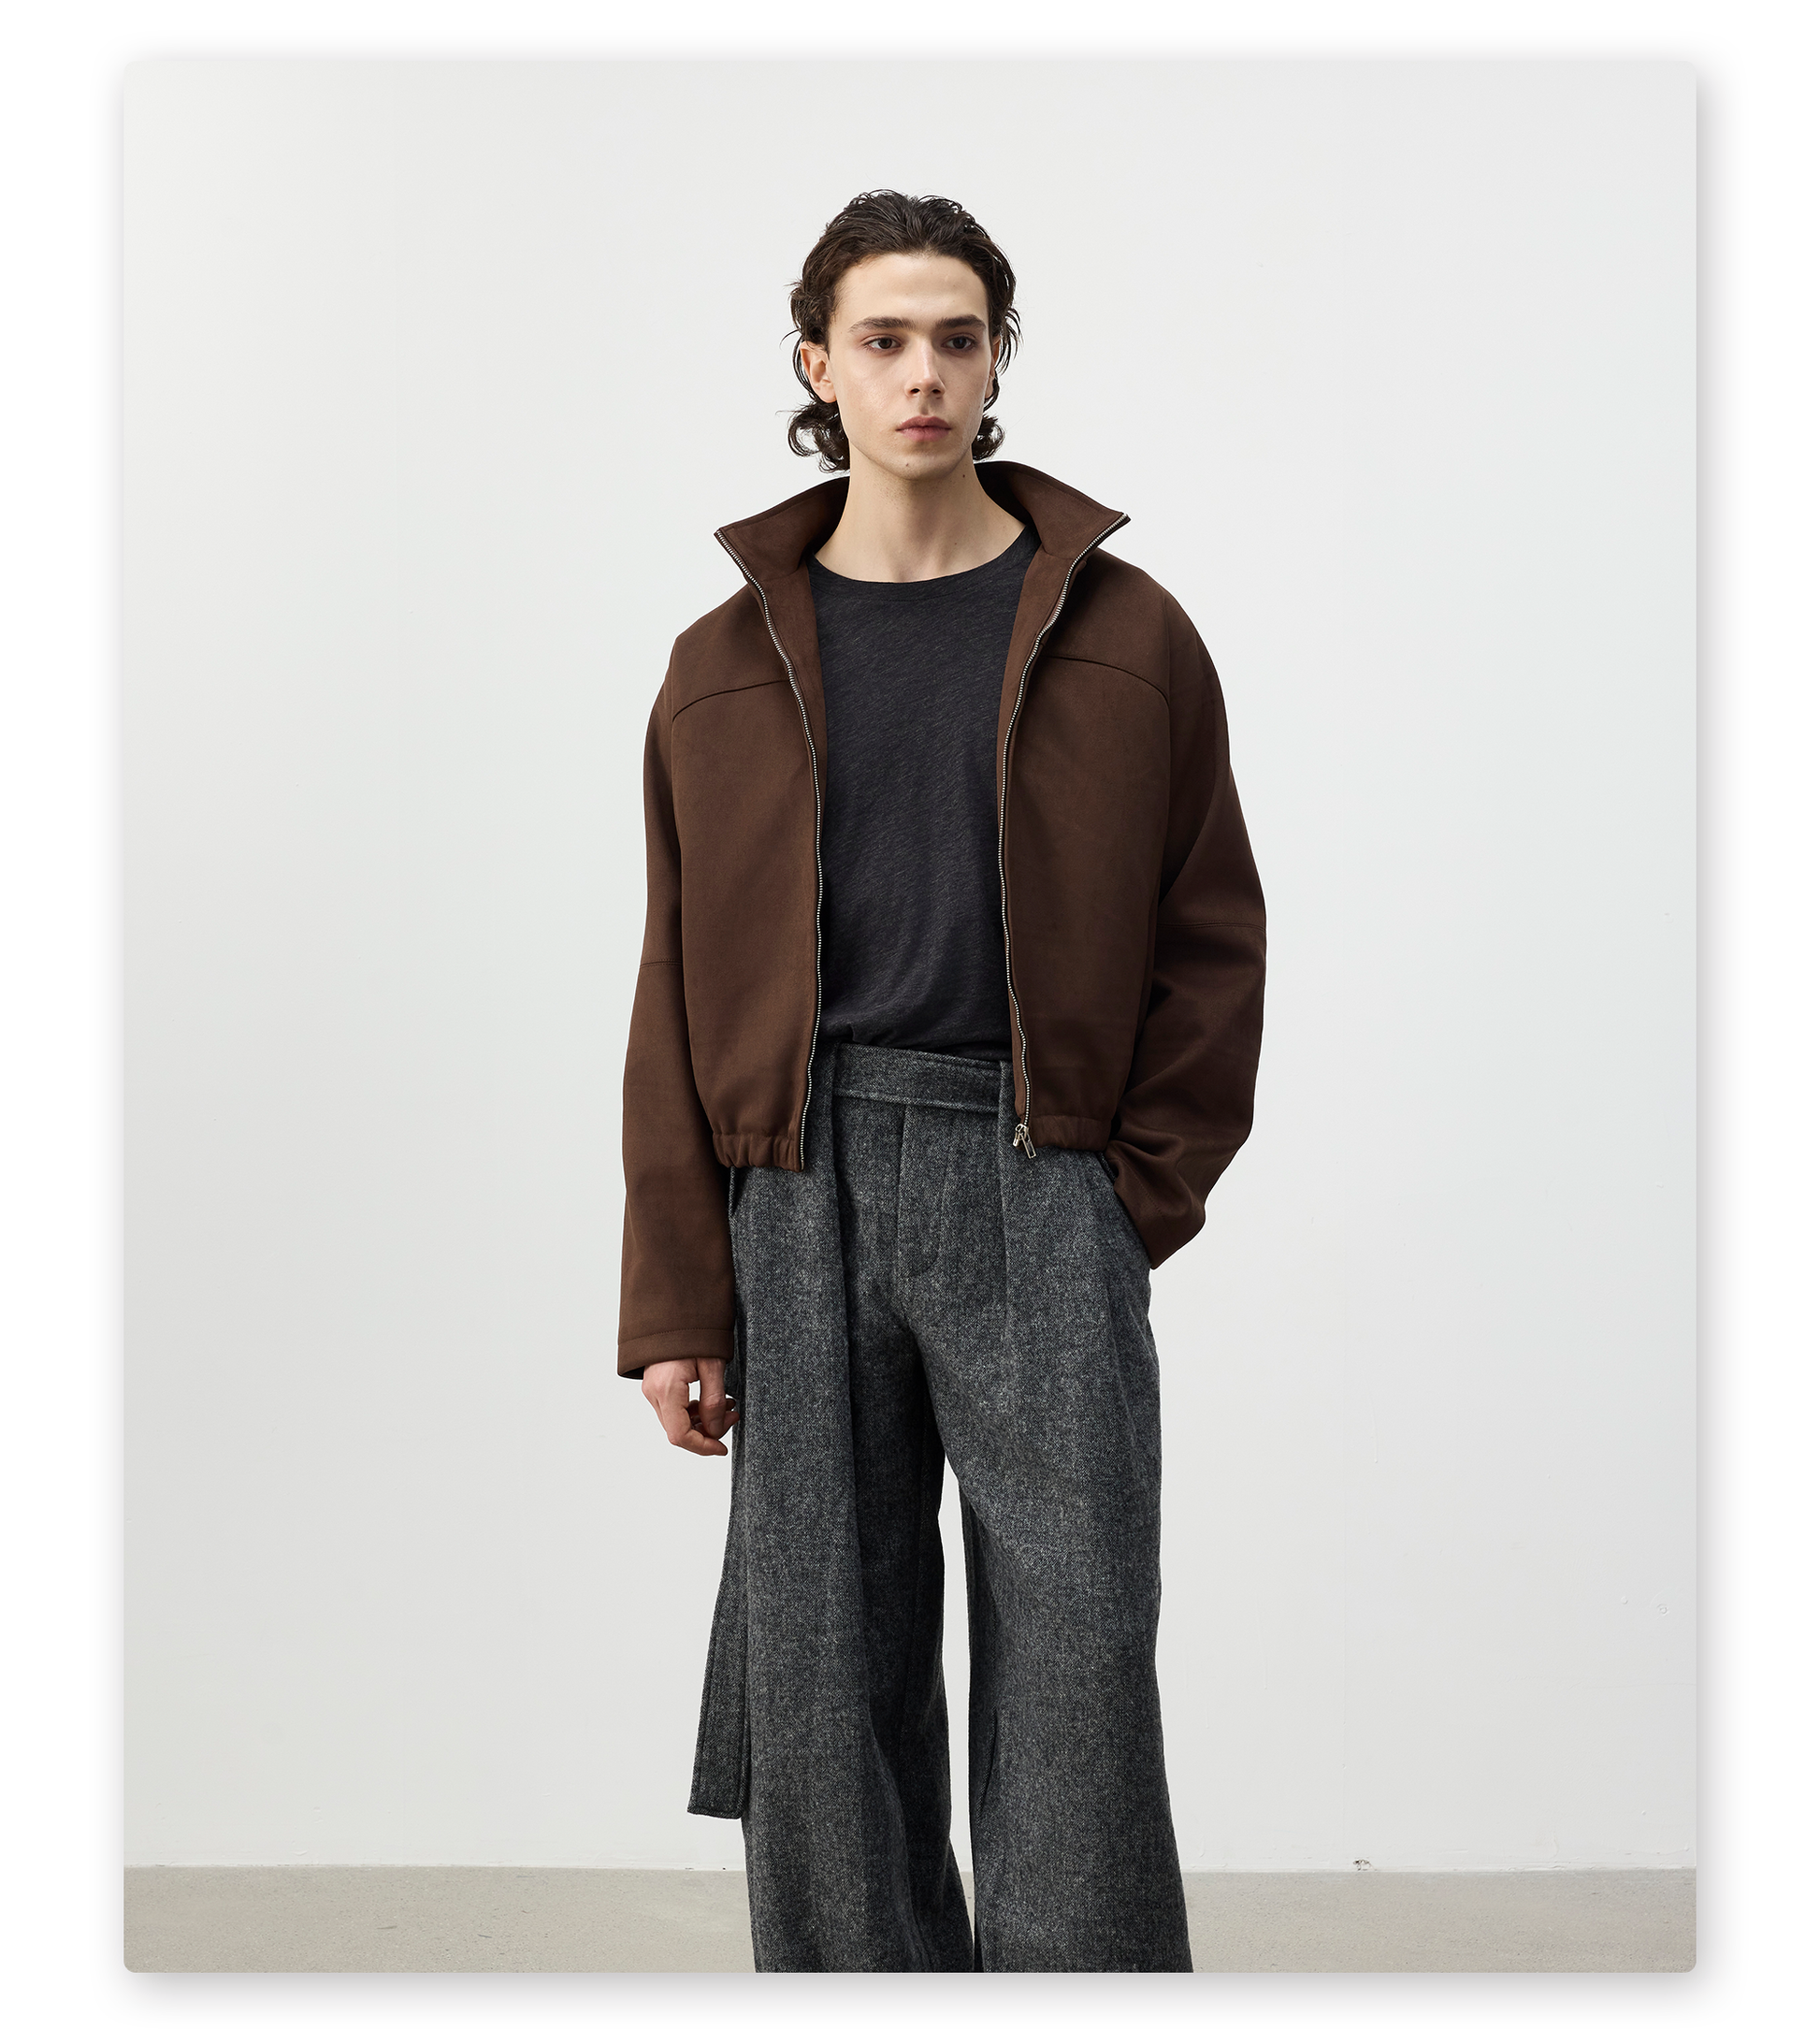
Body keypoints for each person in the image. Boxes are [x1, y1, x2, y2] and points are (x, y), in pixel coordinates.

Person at [618, 189, 1266, 1974]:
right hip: (798, 1180)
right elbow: (673, 986)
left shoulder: (1127, 633)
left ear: (996, 365)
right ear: (816, 367)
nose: (922, 373)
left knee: (1077, 1664)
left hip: (1037, 1164)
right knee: (824, 1675)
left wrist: (1124, 1194)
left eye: (957, 338)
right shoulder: (719, 666)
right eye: (883, 339)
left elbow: (1210, 932)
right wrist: (678, 1296)